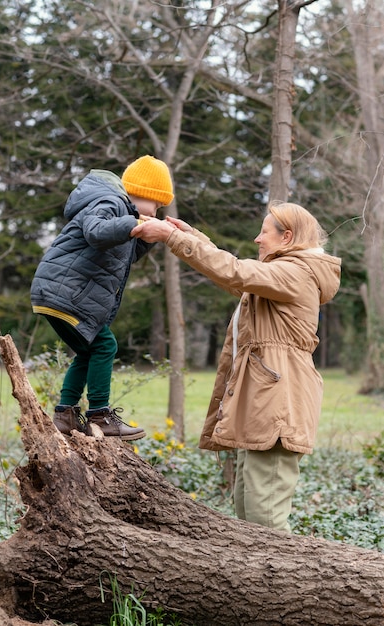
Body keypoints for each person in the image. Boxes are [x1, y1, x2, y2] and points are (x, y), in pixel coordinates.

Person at [131, 202, 341, 531]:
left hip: (277, 405)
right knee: (249, 515)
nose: (257, 239)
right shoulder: (282, 275)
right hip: (263, 403)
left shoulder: (296, 272)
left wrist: (172, 237)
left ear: (287, 237)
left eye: (265, 232)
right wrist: (192, 236)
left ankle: (284, 580)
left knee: (265, 519)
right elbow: (235, 277)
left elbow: (236, 271)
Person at [31, 155, 174, 441]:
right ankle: (100, 415)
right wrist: (133, 223)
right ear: (141, 193)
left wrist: (147, 238)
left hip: (60, 293)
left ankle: (64, 416)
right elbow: (96, 232)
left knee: (88, 351)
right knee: (106, 345)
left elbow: (125, 256)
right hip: (66, 292)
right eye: (157, 203)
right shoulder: (111, 202)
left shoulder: (122, 212)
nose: (157, 210)